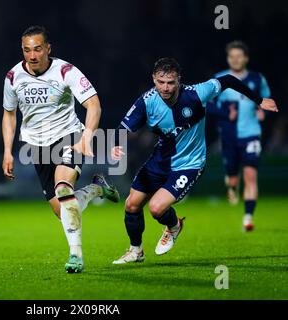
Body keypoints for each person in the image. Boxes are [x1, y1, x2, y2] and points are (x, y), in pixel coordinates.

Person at [110, 57, 278, 264]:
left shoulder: (197, 93)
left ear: (179, 80)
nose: (166, 87)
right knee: (131, 205)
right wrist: (116, 144)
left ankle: (174, 226)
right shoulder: (146, 101)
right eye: (161, 82)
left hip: (189, 163)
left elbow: (228, 80)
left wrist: (259, 100)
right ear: (153, 79)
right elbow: (123, 128)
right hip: (160, 161)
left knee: (156, 208)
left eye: (171, 82)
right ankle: (136, 251)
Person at [2, 26, 120, 273]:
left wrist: (87, 137)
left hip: (69, 136)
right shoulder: (13, 77)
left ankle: (75, 255)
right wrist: (7, 151)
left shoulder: (66, 71)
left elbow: (94, 105)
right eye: (26, 50)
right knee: (63, 210)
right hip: (37, 145)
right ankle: (97, 188)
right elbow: (9, 114)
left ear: (48, 48)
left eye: (37, 49)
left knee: (64, 188)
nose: (32, 55)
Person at [207, 41, 271, 231]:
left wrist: (263, 112)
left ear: (246, 58)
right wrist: (226, 114)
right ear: (228, 59)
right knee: (233, 179)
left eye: (239, 56)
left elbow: (265, 100)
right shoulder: (219, 80)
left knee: (251, 175)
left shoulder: (257, 79)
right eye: (231, 56)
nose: (235, 59)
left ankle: (248, 217)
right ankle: (232, 187)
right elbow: (206, 104)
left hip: (251, 134)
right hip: (228, 137)